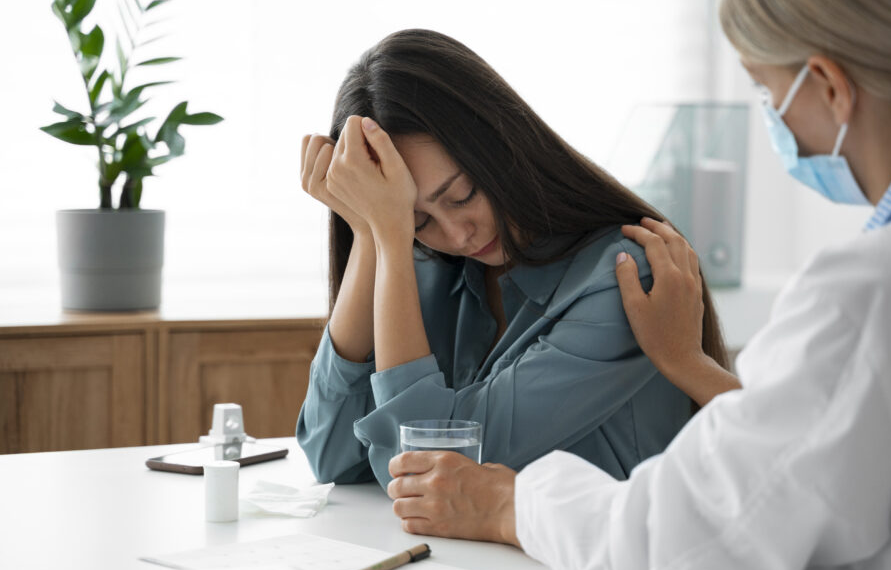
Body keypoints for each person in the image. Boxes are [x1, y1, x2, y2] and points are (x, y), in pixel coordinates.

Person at [385, 0, 891, 570]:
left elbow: (681, 545)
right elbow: (823, 449)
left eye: (765, 92)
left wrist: (509, 503)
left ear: (830, 86)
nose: (772, 118)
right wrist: (691, 366)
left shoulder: (874, 292)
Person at [295, 29, 736, 489]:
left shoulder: (624, 278)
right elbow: (330, 456)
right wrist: (370, 232)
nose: (457, 234)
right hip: (475, 559)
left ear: (500, 147)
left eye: (462, 195)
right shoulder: (427, 270)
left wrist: (390, 235)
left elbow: (428, 472)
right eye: (417, 220)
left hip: (600, 559)